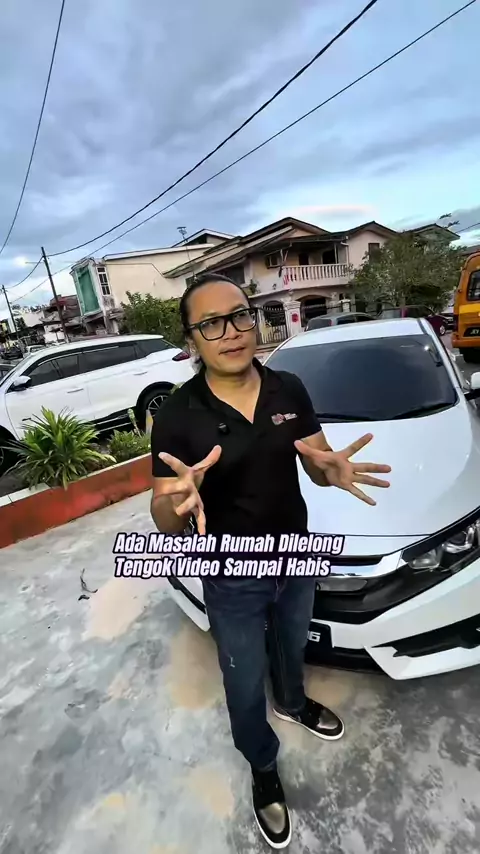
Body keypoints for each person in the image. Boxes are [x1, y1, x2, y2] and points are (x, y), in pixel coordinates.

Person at [150, 274, 391, 849]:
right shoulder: (178, 414)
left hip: (296, 553)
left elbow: (314, 463)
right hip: (231, 572)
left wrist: (329, 471)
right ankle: (262, 764)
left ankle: (293, 701)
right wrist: (176, 503)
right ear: (191, 339)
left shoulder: (289, 389)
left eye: (240, 315)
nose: (232, 332)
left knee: (291, 642)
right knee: (241, 675)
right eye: (211, 324)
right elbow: (164, 514)